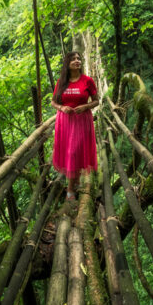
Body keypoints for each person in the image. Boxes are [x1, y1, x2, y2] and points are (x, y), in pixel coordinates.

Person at [50, 51, 99, 200]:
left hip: (82, 121)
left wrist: (86, 106)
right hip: (65, 121)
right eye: (73, 59)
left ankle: (70, 190)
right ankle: (75, 181)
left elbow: (97, 100)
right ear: (67, 63)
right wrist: (62, 108)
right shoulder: (62, 82)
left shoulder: (87, 81)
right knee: (69, 152)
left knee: (74, 152)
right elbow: (53, 102)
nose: (77, 61)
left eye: (79, 58)